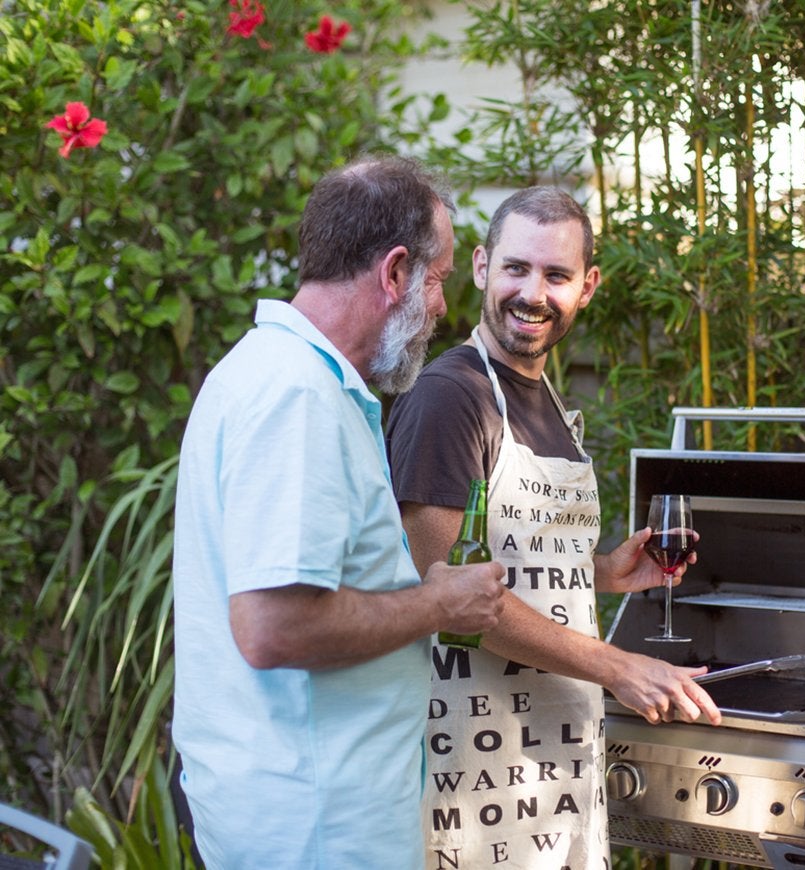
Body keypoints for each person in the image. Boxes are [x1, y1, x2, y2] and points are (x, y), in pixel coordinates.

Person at [171, 155, 506, 868]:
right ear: (394, 274)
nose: (443, 308)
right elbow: (273, 626)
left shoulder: (285, 376)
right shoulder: (297, 398)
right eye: (441, 278)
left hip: (305, 808)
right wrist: (436, 603)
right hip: (312, 825)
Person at [386, 186, 722, 869]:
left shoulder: (544, 398)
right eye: (516, 268)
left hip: (554, 757)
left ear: (587, 287)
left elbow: (511, 561)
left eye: (556, 275)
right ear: (480, 267)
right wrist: (618, 666)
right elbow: (438, 591)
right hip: (472, 769)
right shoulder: (452, 398)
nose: (531, 293)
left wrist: (599, 571)